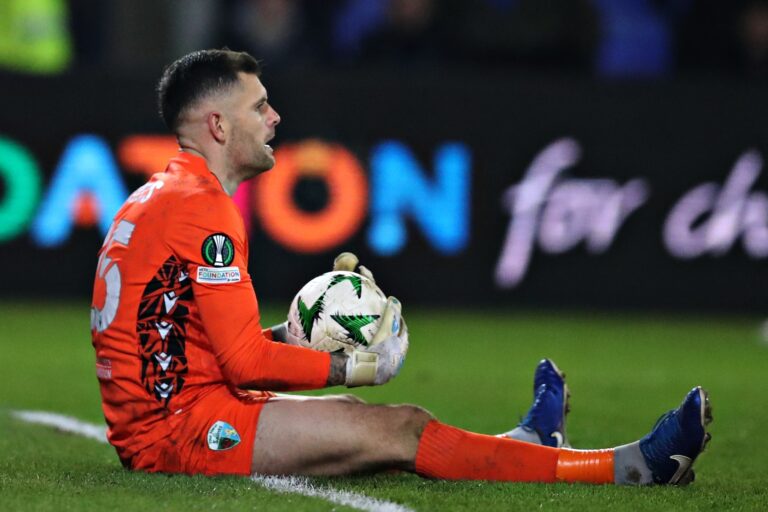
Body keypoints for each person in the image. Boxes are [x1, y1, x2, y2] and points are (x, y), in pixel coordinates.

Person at [90, 48, 712, 484]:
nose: (275, 118)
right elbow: (243, 363)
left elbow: (187, 336)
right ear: (218, 124)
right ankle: (630, 469)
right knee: (402, 429)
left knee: (370, 434)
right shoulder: (204, 210)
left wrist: (300, 334)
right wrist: (360, 363)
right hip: (180, 433)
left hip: (178, 412)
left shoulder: (165, 196)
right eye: (259, 107)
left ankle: (526, 447)